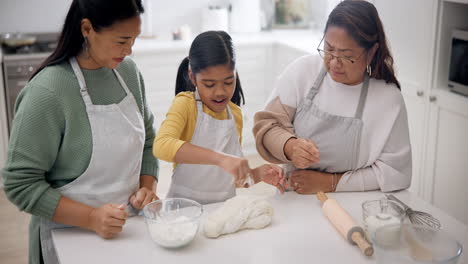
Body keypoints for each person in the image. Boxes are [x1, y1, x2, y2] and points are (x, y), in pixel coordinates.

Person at [1, 0, 159, 263]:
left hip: (130, 231)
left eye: (133, 40)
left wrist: (147, 186)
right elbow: (20, 184)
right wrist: (91, 218)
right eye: (121, 41)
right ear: (87, 29)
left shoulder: (129, 73)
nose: (129, 51)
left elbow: (149, 141)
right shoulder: (48, 91)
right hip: (67, 237)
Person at [253, 0, 412, 194]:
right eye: (329, 49)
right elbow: (267, 125)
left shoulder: (388, 100)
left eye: (346, 56)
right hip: (295, 197)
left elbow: (396, 173)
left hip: (358, 203)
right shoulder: (302, 71)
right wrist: (290, 146)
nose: (335, 63)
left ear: (372, 52)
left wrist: (331, 183)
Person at [153, 31, 287, 205]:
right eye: (209, 84)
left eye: (228, 82)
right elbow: (161, 146)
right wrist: (220, 158)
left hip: (223, 209)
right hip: (184, 213)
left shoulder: (235, 115)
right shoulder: (185, 105)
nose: (220, 92)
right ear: (193, 77)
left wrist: (256, 175)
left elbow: (232, 180)